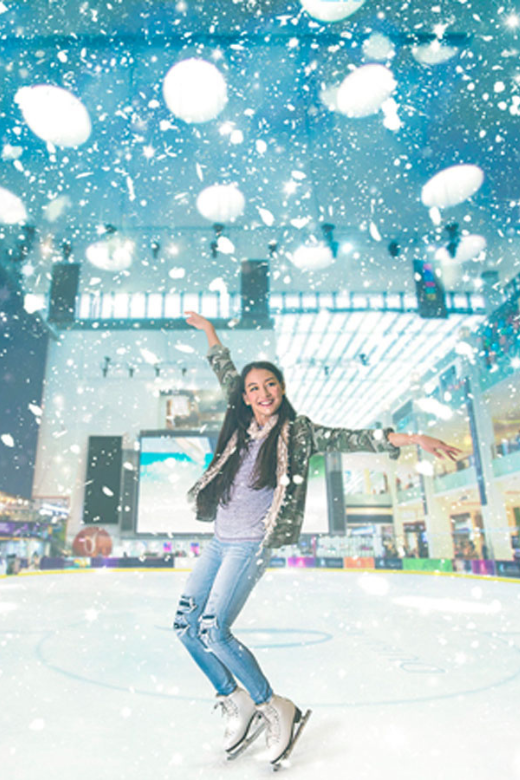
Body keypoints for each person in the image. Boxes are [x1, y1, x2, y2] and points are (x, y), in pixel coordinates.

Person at [173, 311, 461, 767]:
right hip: (219, 540)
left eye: (270, 385)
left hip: (250, 543)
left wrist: (412, 437)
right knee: (185, 627)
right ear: (245, 397)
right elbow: (224, 368)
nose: (262, 393)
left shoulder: (297, 432)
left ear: (281, 389)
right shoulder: (239, 425)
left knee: (213, 629)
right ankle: (235, 698)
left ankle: (273, 706)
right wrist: (209, 331)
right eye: (253, 388)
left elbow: (353, 438)